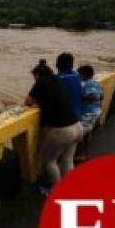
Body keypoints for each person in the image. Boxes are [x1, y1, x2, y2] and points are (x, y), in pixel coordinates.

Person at [25, 60, 83, 192]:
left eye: (34, 77)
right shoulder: (58, 80)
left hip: (62, 131)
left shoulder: (41, 82)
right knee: (67, 159)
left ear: (37, 75)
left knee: (50, 161)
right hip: (77, 126)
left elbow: (27, 101)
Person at [74, 64, 103, 162]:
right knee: (87, 133)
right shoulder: (97, 83)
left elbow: (95, 97)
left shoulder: (89, 84)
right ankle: (86, 153)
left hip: (88, 112)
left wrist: (80, 97)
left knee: (80, 134)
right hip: (95, 111)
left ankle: (81, 154)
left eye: (78, 75)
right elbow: (101, 96)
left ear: (83, 75)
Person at [55, 52, 83, 119]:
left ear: (56, 65)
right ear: (72, 65)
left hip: (64, 122)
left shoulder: (58, 80)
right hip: (78, 119)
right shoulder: (77, 76)